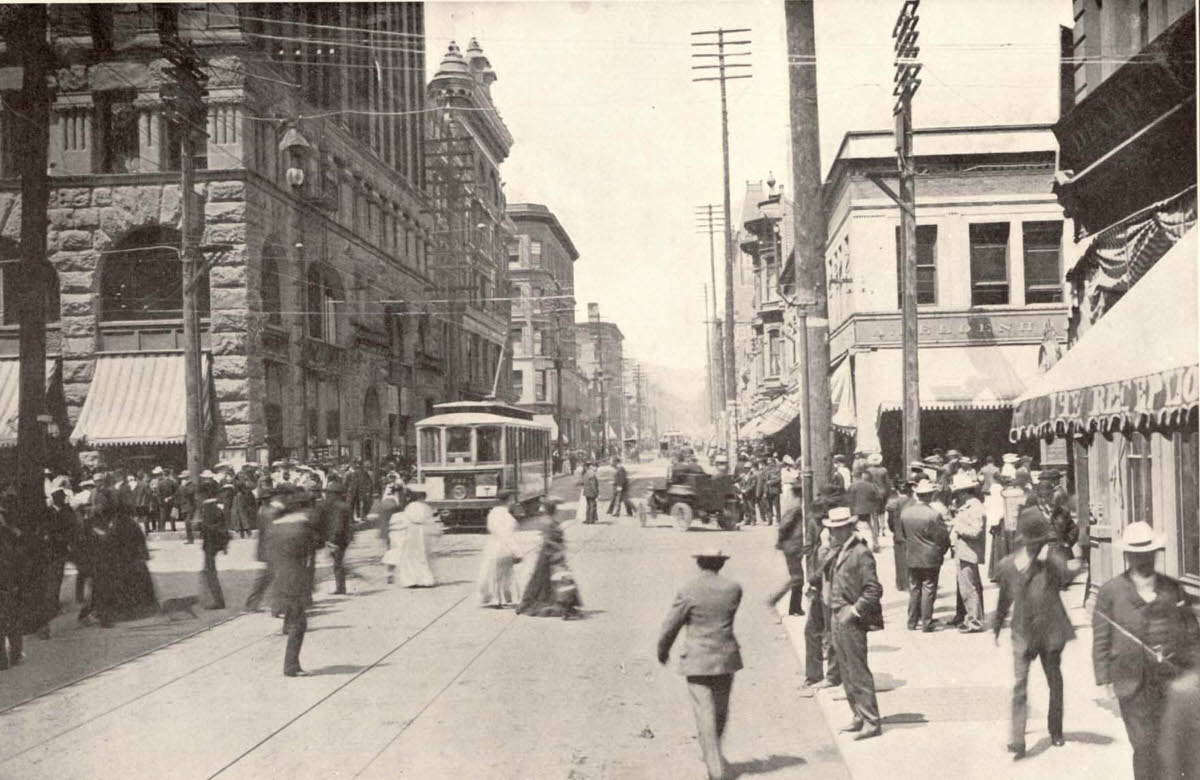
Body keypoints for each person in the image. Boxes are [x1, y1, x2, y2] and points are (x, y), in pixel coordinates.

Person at [1092, 521, 1200, 780]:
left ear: (1155, 553)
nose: (1143, 559)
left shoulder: (1172, 589)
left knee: (1172, 745)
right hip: (1132, 681)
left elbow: (1192, 633)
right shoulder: (1111, 592)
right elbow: (1101, 638)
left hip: (1171, 680)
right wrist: (1104, 677)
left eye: (1147, 553)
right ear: (1128, 555)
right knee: (1143, 747)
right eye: (1137, 554)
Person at [992, 507, 1075, 760]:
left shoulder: (1050, 564)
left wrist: (1062, 557)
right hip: (1023, 633)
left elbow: (1066, 578)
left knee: (1054, 681)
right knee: (1019, 685)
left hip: (1050, 632)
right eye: (1037, 542)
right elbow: (1004, 598)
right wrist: (997, 624)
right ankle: (1018, 739)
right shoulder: (1008, 566)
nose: (1039, 546)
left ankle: (1056, 730)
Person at [656, 546, 743, 780]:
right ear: (721, 564)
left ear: (699, 563)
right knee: (720, 711)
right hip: (726, 657)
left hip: (697, 659)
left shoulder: (688, 590)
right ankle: (715, 756)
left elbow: (671, 625)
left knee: (705, 712)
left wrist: (662, 650)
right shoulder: (734, 588)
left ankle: (716, 770)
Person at [824, 506, 884, 740]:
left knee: (857, 670)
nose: (833, 533)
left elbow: (873, 589)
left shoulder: (860, 552)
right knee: (846, 669)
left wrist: (855, 611)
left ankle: (871, 719)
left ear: (849, 527)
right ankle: (858, 715)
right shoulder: (838, 550)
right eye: (832, 529)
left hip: (850, 615)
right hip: (836, 613)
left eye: (838, 529)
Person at [269, 489, 322, 677]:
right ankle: (291, 666)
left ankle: (291, 664)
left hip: (279, 576)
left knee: (293, 617)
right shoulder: (301, 526)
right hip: (296, 578)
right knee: (299, 623)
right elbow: (317, 543)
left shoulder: (275, 527)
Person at [899, 479, 949, 631]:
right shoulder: (934, 515)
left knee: (914, 588)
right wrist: (941, 551)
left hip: (912, 555)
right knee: (929, 587)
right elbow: (943, 537)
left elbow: (903, 535)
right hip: (930, 556)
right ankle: (926, 622)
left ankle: (912, 621)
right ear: (929, 495)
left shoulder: (905, 513)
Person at [517, 499, 580, 618]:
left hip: (546, 554)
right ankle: (564, 606)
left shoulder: (546, 521)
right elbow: (552, 540)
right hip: (552, 554)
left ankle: (561, 605)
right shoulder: (551, 523)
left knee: (542, 581)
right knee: (560, 581)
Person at [948, 472, 987, 633]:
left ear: (964, 492)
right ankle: (972, 617)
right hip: (962, 550)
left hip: (968, 551)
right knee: (969, 586)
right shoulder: (966, 506)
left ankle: (974, 622)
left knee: (969, 588)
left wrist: (957, 527)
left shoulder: (975, 507)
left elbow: (976, 531)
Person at [765, 481, 806, 617]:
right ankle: (776, 599)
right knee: (797, 578)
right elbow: (784, 526)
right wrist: (781, 540)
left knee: (798, 578)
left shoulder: (793, 506)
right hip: (792, 546)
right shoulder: (796, 508)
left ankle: (795, 608)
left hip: (793, 546)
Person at [245, 484, 287, 612]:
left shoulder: (262, 511)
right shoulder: (272, 512)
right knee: (275, 578)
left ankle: (252, 604)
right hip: (274, 548)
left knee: (264, 578)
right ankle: (276, 606)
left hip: (266, 548)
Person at [383, 490, 436, 588]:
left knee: (410, 557)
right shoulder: (426, 507)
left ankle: (411, 580)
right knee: (422, 556)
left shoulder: (410, 507)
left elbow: (405, 519)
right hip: (423, 532)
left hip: (411, 531)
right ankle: (424, 580)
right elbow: (430, 520)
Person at [478, 492, 523, 608]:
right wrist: (516, 552)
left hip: (492, 546)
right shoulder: (506, 516)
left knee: (493, 574)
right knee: (507, 575)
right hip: (503, 548)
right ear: (508, 500)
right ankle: (507, 599)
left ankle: (494, 599)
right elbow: (507, 536)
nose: (514, 503)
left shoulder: (492, 513)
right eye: (512, 500)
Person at [197, 475, 229, 610]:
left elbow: (211, 527)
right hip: (213, 543)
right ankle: (213, 599)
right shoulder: (215, 506)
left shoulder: (209, 508)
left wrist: (201, 527)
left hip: (211, 544)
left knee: (210, 572)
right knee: (209, 571)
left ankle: (217, 600)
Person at [319, 479, 354, 595]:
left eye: (329, 493)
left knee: (338, 564)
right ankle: (341, 586)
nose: (327, 495)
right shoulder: (343, 505)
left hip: (338, 538)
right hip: (344, 538)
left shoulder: (337, 506)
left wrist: (332, 539)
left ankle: (341, 588)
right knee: (338, 562)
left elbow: (338, 525)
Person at [847, 469, 880, 553]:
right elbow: (878, 497)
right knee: (873, 527)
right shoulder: (871, 485)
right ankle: (875, 544)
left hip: (855, 510)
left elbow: (849, 499)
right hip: (870, 509)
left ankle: (851, 544)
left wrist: (850, 509)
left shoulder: (852, 485)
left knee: (851, 527)